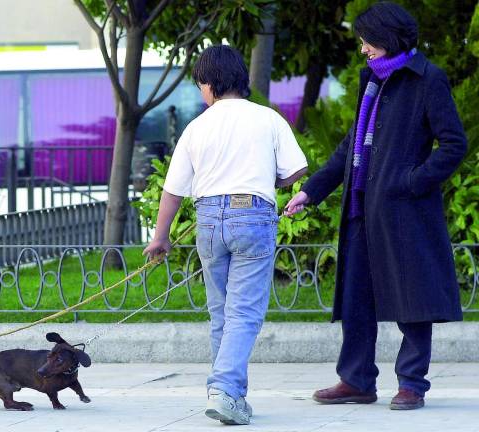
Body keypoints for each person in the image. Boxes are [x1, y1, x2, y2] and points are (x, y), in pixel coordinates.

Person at [284, 2, 467, 410]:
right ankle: (357, 380)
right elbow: (349, 148)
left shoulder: (426, 79)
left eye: (367, 41)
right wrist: (311, 191)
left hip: (405, 212)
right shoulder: (372, 82)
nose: (363, 49)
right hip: (361, 209)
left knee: (411, 297)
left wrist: (411, 180)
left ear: (387, 38)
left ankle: (412, 384)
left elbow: (454, 144)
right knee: (356, 299)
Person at [143, 44, 307, 425]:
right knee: (244, 312)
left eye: (200, 84)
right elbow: (296, 171)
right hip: (252, 214)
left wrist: (160, 236)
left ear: (209, 83)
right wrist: (269, 180)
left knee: (222, 314)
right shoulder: (267, 119)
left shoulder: (197, 127)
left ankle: (229, 395)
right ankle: (225, 391)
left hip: (209, 219)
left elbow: (174, 189)